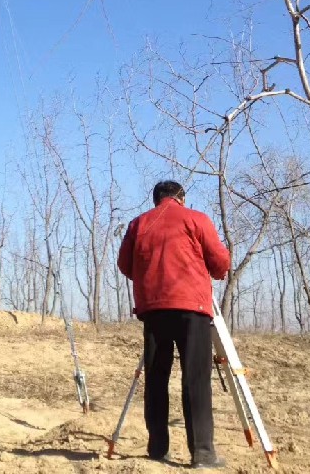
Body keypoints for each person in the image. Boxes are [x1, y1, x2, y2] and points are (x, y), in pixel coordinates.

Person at [117, 180, 231, 470]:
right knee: (196, 379)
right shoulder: (196, 219)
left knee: (156, 378)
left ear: (156, 199)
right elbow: (220, 262)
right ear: (181, 198)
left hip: (154, 310)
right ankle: (202, 454)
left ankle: (157, 449)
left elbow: (125, 265)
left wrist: (150, 276)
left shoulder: (138, 224)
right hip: (193, 309)